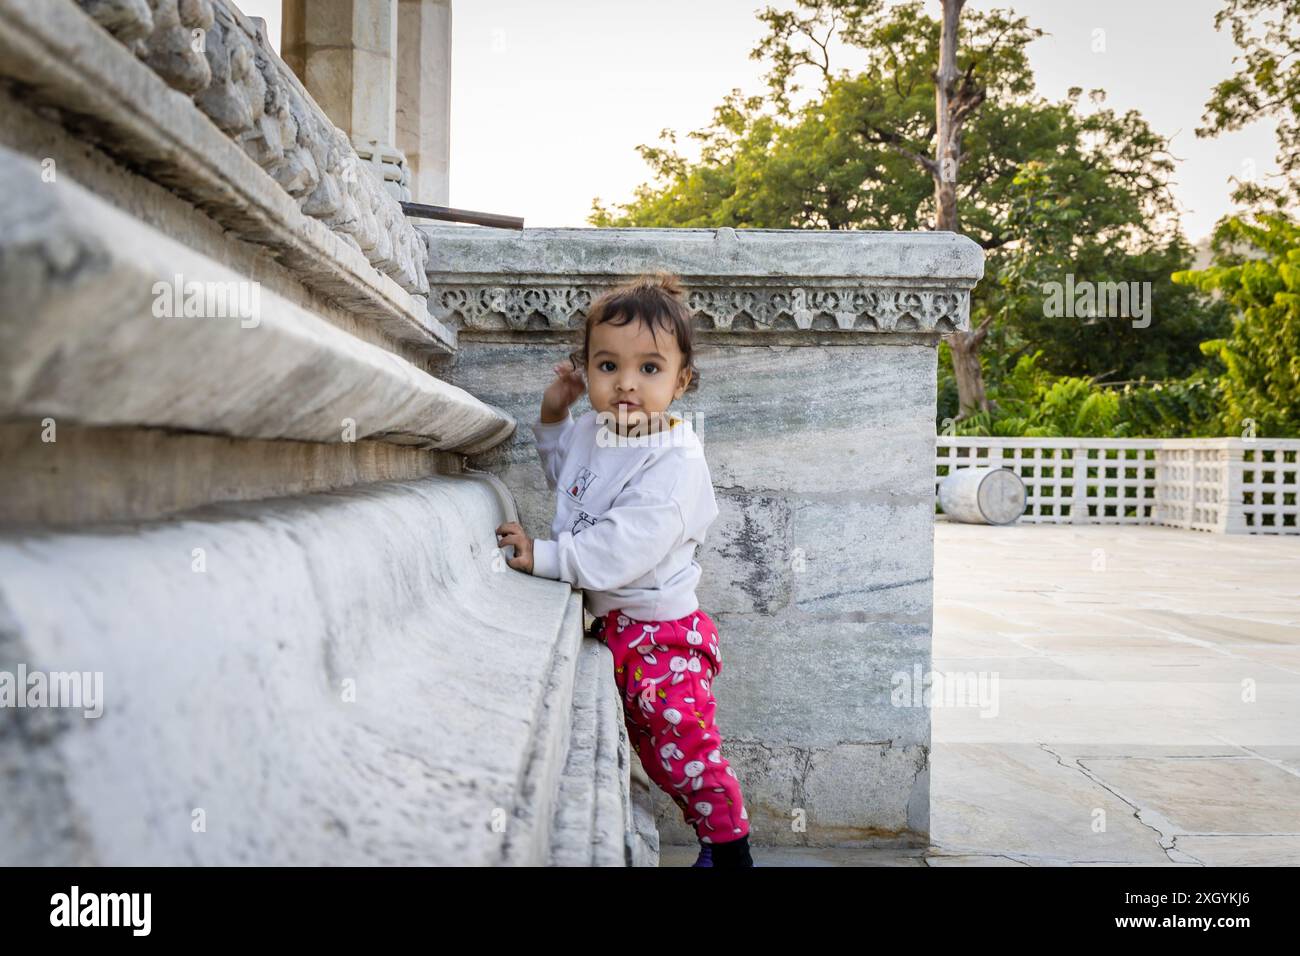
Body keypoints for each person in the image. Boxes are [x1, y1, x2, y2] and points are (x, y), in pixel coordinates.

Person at [495, 272, 753, 868]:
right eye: (608, 367)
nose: (627, 384)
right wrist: (554, 414)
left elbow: (623, 548)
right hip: (615, 623)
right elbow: (570, 478)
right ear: (586, 369)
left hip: (659, 631)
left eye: (649, 368)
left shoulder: (675, 462)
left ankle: (729, 847)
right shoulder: (594, 428)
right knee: (649, 746)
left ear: (681, 380)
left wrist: (548, 555)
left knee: (682, 743)